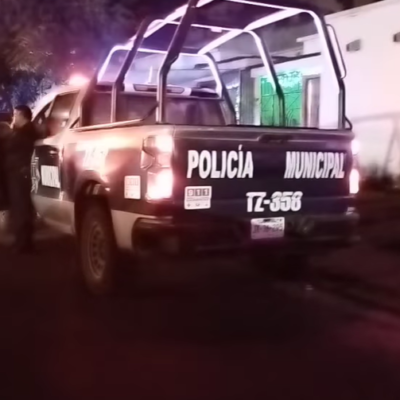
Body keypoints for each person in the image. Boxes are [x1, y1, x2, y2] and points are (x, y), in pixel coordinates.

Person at [5, 105, 38, 253]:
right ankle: (22, 241)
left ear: (22, 115)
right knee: (21, 208)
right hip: (17, 172)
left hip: (20, 173)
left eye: (15, 115)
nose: (14, 118)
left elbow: (16, 150)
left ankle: (23, 243)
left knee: (21, 208)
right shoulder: (22, 131)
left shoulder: (26, 132)